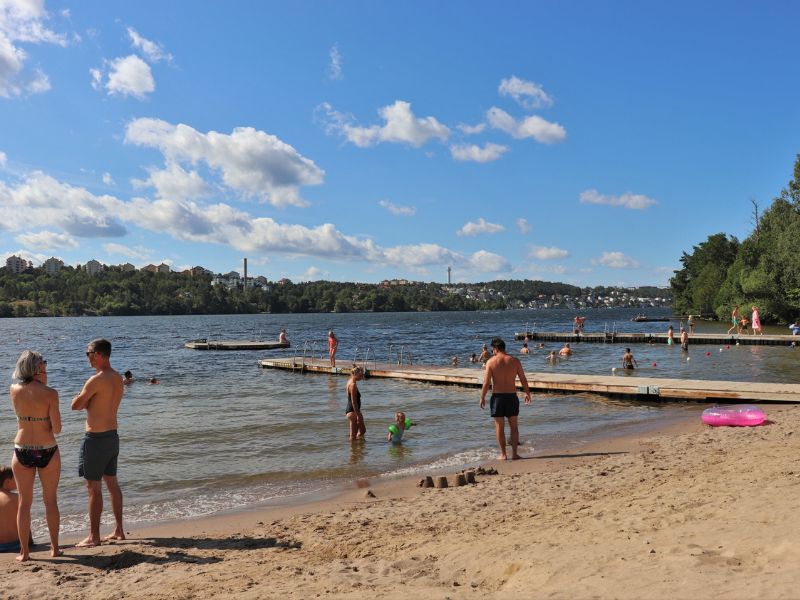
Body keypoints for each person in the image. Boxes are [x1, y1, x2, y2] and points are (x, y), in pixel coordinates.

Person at [71, 338, 125, 547]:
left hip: (95, 439)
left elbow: (76, 405)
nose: (88, 358)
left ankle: (94, 536)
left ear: (99, 355)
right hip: (112, 436)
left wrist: (84, 400)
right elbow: (96, 403)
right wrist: (89, 402)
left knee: (93, 488)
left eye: (89, 354)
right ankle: (119, 530)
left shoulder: (96, 380)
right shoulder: (117, 377)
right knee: (112, 483)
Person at [10, 350, 62, 561]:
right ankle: (55, 548)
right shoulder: (50, 393)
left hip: (21, 449)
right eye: (43, 364)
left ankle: (24, 553)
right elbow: (57, 428)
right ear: (37, 368)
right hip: (46, 448)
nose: (45, 367)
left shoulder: (13, 389)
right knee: (50, 501)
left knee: (24, 502)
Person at [479, 338, 531, 461]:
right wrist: (527, 393)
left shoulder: (491, 362)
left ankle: (503, 454)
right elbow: (523, 379)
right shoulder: (514, 361)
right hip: (511, 396)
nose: (492, 351)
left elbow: (486, 383)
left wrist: (482, 397)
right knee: (514, 427)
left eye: (493, 349)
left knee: (499, 426)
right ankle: (514, 454)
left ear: (495, 348)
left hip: (497, 398)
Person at [0, 466, 32, 555]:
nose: (18, 481)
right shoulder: (18, 498)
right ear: (7, 482)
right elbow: (26, 522)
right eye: (16, 479)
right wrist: (29, 542)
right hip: (17, 544)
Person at [345, 366, 366, 441]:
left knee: (362, 431)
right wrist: (358, 415)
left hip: (352, 410)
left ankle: (356, 448)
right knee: (354, 436)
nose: (362, 377)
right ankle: (353, 451)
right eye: (360, 375)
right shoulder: (353, 385)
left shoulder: (350, 381)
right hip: (353, 411)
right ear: (354, 374)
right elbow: (353, 402)